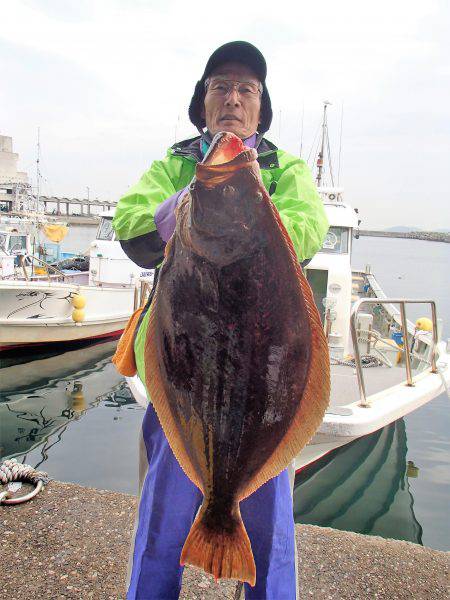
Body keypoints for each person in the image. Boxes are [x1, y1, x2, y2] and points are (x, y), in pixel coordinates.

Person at [113, 41, 329, 600]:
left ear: (260, 108)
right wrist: (192, 197)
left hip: (265, 381)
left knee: (271, 529)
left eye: (246, 89)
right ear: (202, 102)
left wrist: (241, 196)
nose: (232, 97)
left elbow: (306, 229)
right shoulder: (174, 164)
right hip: (184, 374)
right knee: (163, 516)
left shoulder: (285, 170)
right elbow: (132, 224)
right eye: (220, 86)